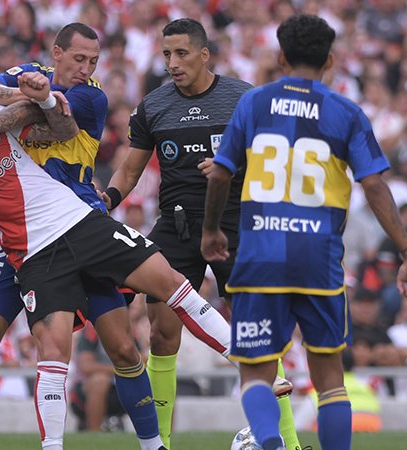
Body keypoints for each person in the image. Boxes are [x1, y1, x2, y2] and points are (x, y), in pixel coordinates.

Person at [0, 65, 234, 450]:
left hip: (83, 222)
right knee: (50, 354)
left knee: (171, 285)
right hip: (35, 255)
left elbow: (62, 128)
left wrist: (45, 97)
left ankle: (242, 368)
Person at [0, 22, 184, 450]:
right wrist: (28, 91)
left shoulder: (90, 96)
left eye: (93, 61)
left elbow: (35, 113)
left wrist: (35, 97)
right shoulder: (30, 72)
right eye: (79, 58)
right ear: (57, 53)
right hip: (22, 241)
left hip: (80, 226)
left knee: (121, 347)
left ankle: (154, 445)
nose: (86, 68)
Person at [201, 15, 407, 450]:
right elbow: (375, 185)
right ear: (332, 60)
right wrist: (406, 252)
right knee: (331, 382)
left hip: (260, 258)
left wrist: (211, 230)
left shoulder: (253, 104)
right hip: (319, 261)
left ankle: (269, 442)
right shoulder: (346, 112)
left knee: (256, 375)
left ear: (281, 56)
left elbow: (220, 175)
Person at [102, 18, 298, 449]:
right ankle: (161, 443)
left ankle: (288, 440)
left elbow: (276, 159)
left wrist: (233, 167)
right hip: (175, 225)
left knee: (253, 332)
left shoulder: (244, 97)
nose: (172, 63)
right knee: (161, 334)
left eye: (181, 54)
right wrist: (108, 200)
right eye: (166, 54)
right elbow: (132, 168)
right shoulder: (154, 106)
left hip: (236, 223)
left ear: (204, 54)